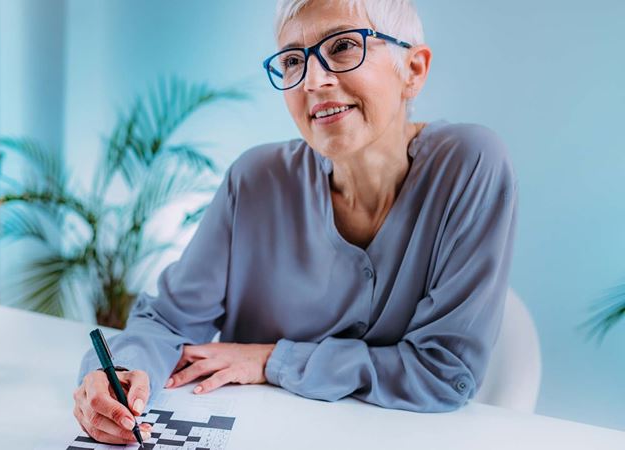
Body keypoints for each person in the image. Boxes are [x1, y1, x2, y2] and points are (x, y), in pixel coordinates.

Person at [73, 0, 518, 444]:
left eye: (344, 46)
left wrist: (271, 360)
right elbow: (168, 321)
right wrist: (120, 373)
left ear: (414, 70)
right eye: (291, 61)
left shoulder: (470, 165)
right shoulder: (254, 180)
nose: (313, 80)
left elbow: (444, 373)